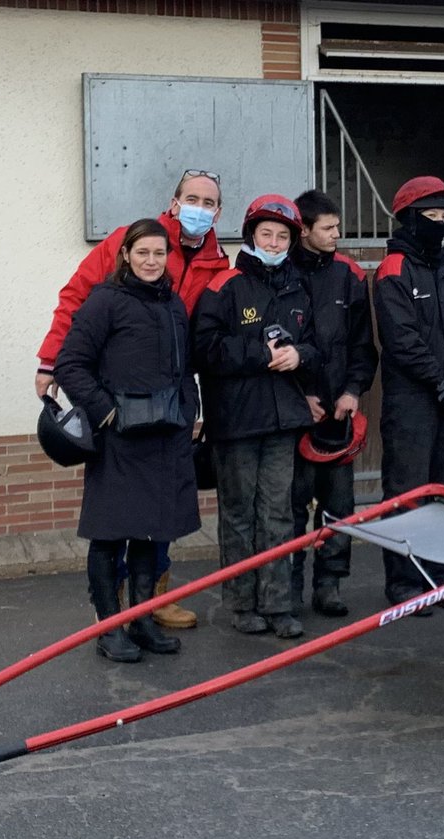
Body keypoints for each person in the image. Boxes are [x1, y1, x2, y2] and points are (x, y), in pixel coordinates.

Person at [37, 168, 228, 630]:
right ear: (175, 201)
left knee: (158, 518)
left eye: (209, 201)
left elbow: (203, 342)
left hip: (167, 417)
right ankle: (112, 611)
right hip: (121, 413)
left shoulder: (218, 265)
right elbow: (75, 300)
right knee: (116, 521)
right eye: (192, 198)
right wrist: (50, 361)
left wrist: (190, 411)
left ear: (218, 211)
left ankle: (152, 603)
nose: (199, 207)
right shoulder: (129, 247)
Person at [54, 219, 200, 662]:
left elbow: (184, 368)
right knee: (111, 536)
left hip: (167, 440)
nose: (152, 262)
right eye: (143, 253)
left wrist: (190, 411)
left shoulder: (174, 305)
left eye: (159, 254)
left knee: (152, 535)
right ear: (126, 256)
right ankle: (110, 628)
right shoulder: (105, 303)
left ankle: (141, 622)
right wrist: (108, 412)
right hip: (120, 442)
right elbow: (70, 365)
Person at [191, 195, 319, 638]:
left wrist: (299, 355)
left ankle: (279, 604)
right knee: (239, 514)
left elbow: (317, 346)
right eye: (266, 233)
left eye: (283, 236)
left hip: (282, 421)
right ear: (250, 235)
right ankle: (243, 604)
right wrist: (260, 355)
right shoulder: (223, 286)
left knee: (278, 514)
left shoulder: (298, 286)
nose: (275, 241)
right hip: (236, 420)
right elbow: (204, 349)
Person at [374, 176, 444, 614]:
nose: (440, 223)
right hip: (414, 401)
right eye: (432, 216)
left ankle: (441, 579)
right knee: (407, 492)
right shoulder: (393, 269)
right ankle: (404, 583)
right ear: (409, 219)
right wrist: (442, 384)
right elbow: (402, 340)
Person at [289, 190, 378, 618]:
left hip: (339, 411)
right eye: (327, 228)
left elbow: (364, 342)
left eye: (337, 226)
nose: (336, 234)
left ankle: (329, 585)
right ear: (303, 230)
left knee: (339, 508)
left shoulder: (350, 273)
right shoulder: (280, 271)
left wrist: (353, 391)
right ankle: (288, 588)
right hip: (294, 413)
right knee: (290, 508)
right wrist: (297, 398)